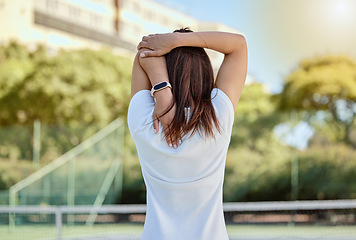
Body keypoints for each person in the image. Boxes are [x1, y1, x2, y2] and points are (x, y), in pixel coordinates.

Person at [128, 28, 247, 240]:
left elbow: (143, 53)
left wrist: (163, 90)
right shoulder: (217, 118)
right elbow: (238, 45)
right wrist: (175, 40)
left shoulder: (144, 121)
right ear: (205, 73)